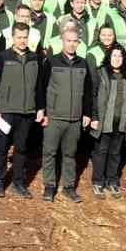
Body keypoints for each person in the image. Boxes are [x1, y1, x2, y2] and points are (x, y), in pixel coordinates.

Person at [39, 25, 95, 202]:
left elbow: (88, 91)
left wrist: (87, 113)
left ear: (78, 43)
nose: (71, 44)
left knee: (70, 154)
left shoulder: (83, 64)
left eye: (74, 41)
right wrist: (43, 111)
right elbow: (41, 88)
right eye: (68, 41)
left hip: (74, 118)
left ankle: (69, 186)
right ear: (62, 41)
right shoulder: (51, 61)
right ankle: (49, 186)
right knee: (50, 152)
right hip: (54, 117)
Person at [0, 24, 43, 198]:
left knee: (21, 148)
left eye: (25, 37)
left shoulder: (35, 58)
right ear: (12, 38)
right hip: (6, 112)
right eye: (19, 37)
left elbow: (39, 86)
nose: (22, 40)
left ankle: (18, 182)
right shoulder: (3, 57)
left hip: (27, 112)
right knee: (2, 147)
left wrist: (40, 108)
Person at [90, 43, 126, 197]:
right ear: (109, 57)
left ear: (124, 58)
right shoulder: (101, 72)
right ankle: (98, 181)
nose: (117, 59)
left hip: (121, 120)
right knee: (101, 152)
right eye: (114, 55)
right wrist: (94, 117)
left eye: (120, 56)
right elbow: (94, 96)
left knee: (116, 153)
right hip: (104, 121)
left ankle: (112, 180)